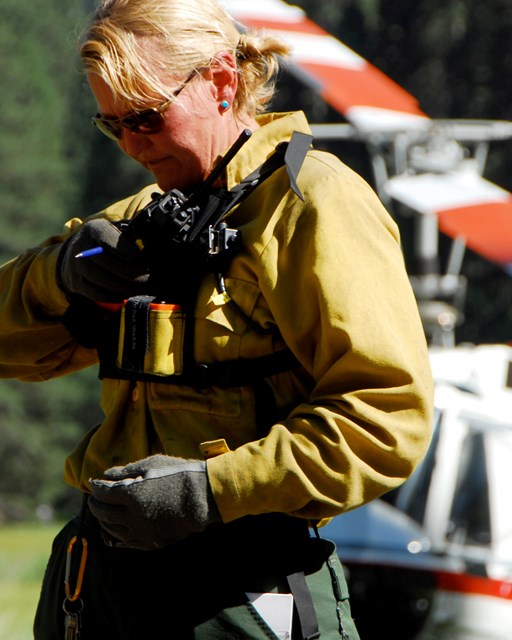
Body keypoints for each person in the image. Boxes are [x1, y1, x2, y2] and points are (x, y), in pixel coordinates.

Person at [0, 0, 433, 637]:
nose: (131, 144)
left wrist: (209, 490)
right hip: (99, 588)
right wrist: (63, 273)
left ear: (222, 81)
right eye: (110, 124)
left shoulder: (312, 204)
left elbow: (386, 418)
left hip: (245, 593)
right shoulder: (147, 213)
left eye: (146, 117)